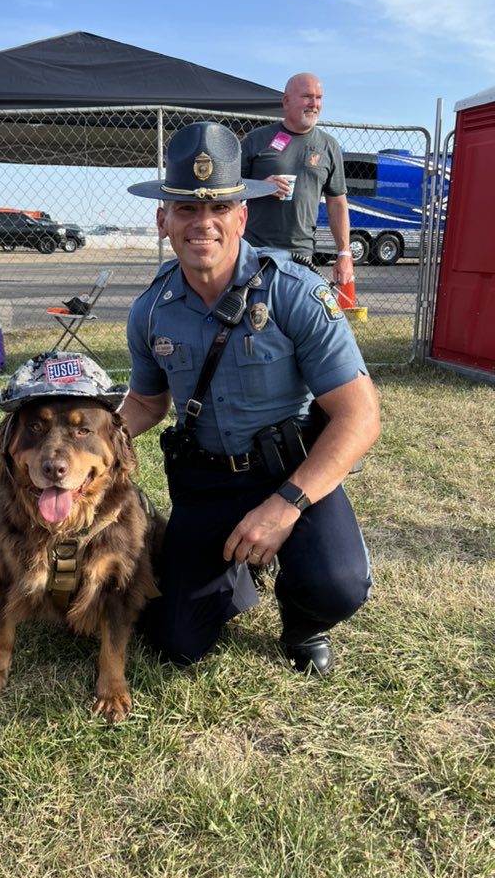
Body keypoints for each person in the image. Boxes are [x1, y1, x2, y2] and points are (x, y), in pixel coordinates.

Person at [122, 121, 380, 676]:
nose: (203, 224)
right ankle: (238, 569)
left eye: (219, 208)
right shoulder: (151, 310)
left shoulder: (296, 292)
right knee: (175, 643)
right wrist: (90, 441)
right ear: (163, 219)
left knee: (337, 584)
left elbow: (359, 417)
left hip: (292, 471)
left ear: (242, 215)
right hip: (208, 481)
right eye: (187, 209)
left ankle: (303, 618)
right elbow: (147, 402)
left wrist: (285, 505)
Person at [241, 72, 354, 287]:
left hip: (301, 255)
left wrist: (344, 253)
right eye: (307, 97)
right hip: (255, 251)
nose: (314, 104)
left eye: (319, 98)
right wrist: (259, 187)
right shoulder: (258, 139)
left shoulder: (328, 146)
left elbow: (337, 203)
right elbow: (229, 188)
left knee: (293, 318)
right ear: (286, 101)